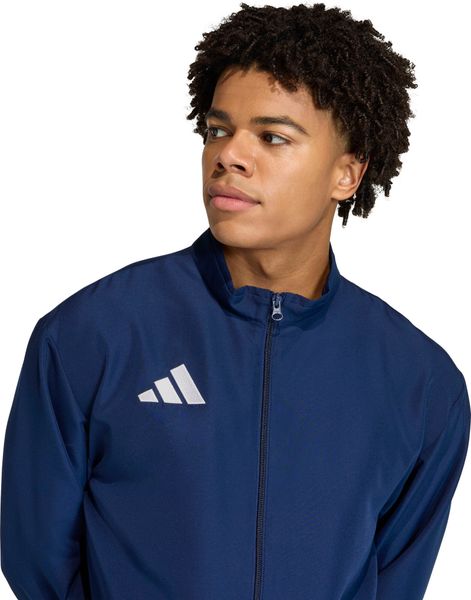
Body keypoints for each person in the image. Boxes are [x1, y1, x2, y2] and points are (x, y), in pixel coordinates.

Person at [1, 3, 469, 599]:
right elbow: (36, 557)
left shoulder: (421, 384)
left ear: (348, 174)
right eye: (218, 131)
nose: (228, 156)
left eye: (272, 137)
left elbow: (397, 579)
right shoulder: (93, 336)